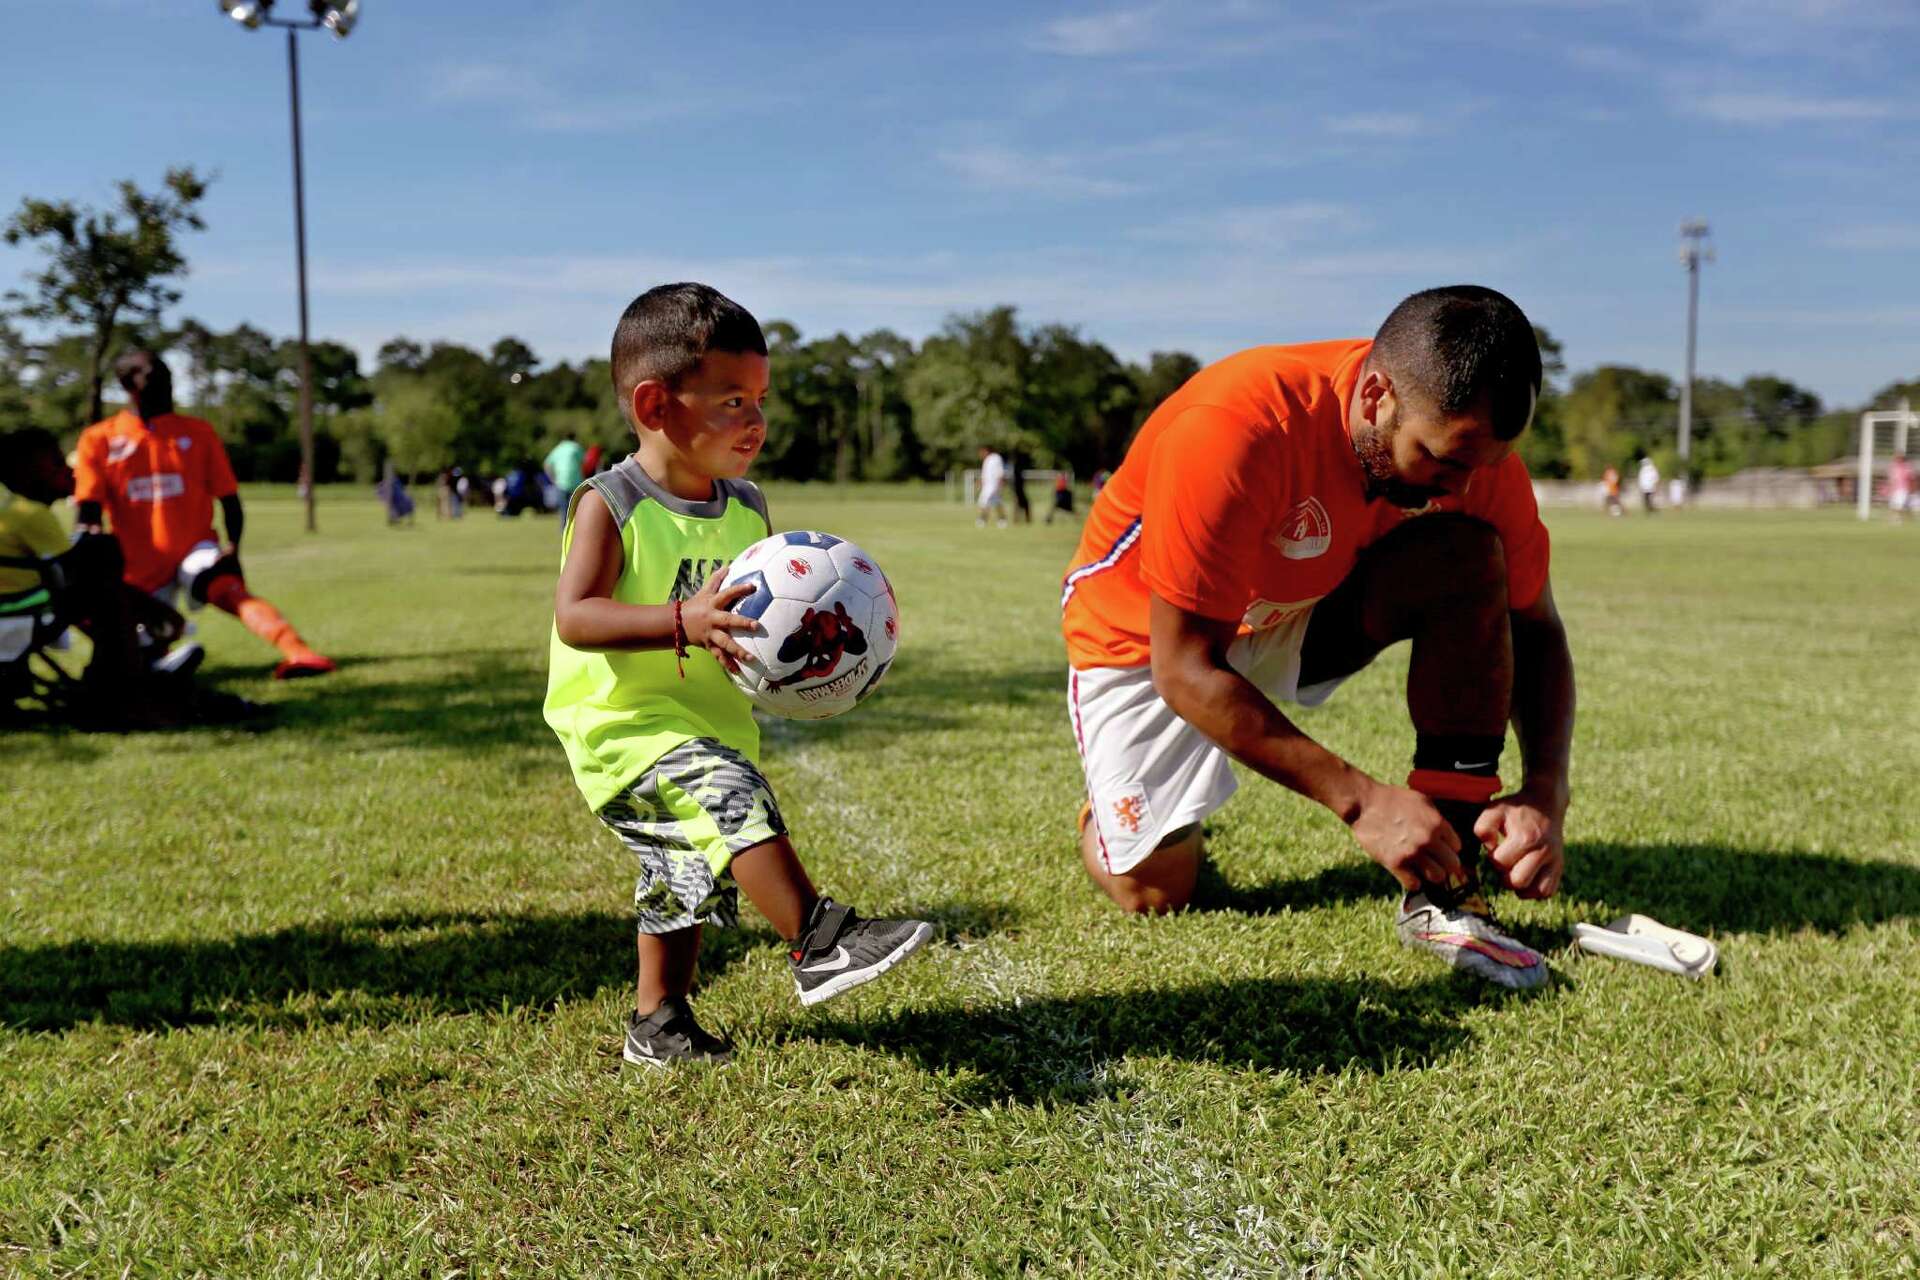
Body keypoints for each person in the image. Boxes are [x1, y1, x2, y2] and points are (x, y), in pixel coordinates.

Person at [1060, 285, 1575, 990]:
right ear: (1375, 399)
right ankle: (1115, 815)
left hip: (1300, 607)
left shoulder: (1473, 460)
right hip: (1147, 644)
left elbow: (1536, 625)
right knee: (1157, 895)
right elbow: (1185, 669)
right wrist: (1363, 802)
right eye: (1441, 460)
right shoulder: (1236, 425)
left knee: (1466, 554)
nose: (1462, 484)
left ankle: (1445, 878)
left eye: (1482, 466)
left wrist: (1546, 791)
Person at [545, 282, 932, 1068]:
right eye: (730, 401)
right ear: (655, 405)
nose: (754, 420)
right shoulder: (611, 504)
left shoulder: (747, 507)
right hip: (621, 728)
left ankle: (658, 1023)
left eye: (759, 398)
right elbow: (575, 617)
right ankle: (818, 940)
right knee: (731, 801)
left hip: (710, 721)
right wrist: (679, 620)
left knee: (681, 871)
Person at [73, 350, 335, 680]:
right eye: (156, 378)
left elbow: (229, 498)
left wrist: (233, 549)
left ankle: (299, 653)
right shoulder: (98, 439)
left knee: (225, 587)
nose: (167, 387)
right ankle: (155, 666)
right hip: (136, 565)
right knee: (135, 633)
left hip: (194, 547)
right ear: (130, 385)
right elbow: (89, 509)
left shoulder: (198, 433)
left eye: (170, 378)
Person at [544, 431, 587, 508]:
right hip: (576, 482)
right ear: (574, 438)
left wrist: (552, 479)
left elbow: (547, 464)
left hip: (561, 482)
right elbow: (585, 463)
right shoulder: (576, 447)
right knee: (575, 509)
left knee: (564, 509)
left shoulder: (558, 448)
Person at [976, 446, 1008, 528]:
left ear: (986, 450)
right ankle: (1002, 519)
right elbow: (985, 473)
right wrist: (980, 482)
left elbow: (1000, 471)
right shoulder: (987, 460)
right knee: (996, 502)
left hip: (994, 485)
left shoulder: (996, 458)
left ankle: (983, 519)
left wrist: (1000, 482)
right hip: (987, 486)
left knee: (984, 501)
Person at [1887, 453, 1912, 524]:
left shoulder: (1907, 467)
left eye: (1899, 458)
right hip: (1895, 489)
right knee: (1893, 505)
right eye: (1896, 458)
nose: (1897, 459)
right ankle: (1894, 519)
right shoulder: (1893, 467)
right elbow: (1891, 479)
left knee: (1900, 506)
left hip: (1903, 489)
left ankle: (1898, 519)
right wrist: (1890, 488)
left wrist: (1910, 488)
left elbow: (1910, 478)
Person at [1008, 451, 1033, 524]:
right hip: (1018, 490)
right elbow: (1016, 481)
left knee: (1020, 505)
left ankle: (1019, 520)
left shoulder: (1016, 468)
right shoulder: (1017, 468)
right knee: (1020, 504)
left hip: (1019, 490)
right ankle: (1018, 520)